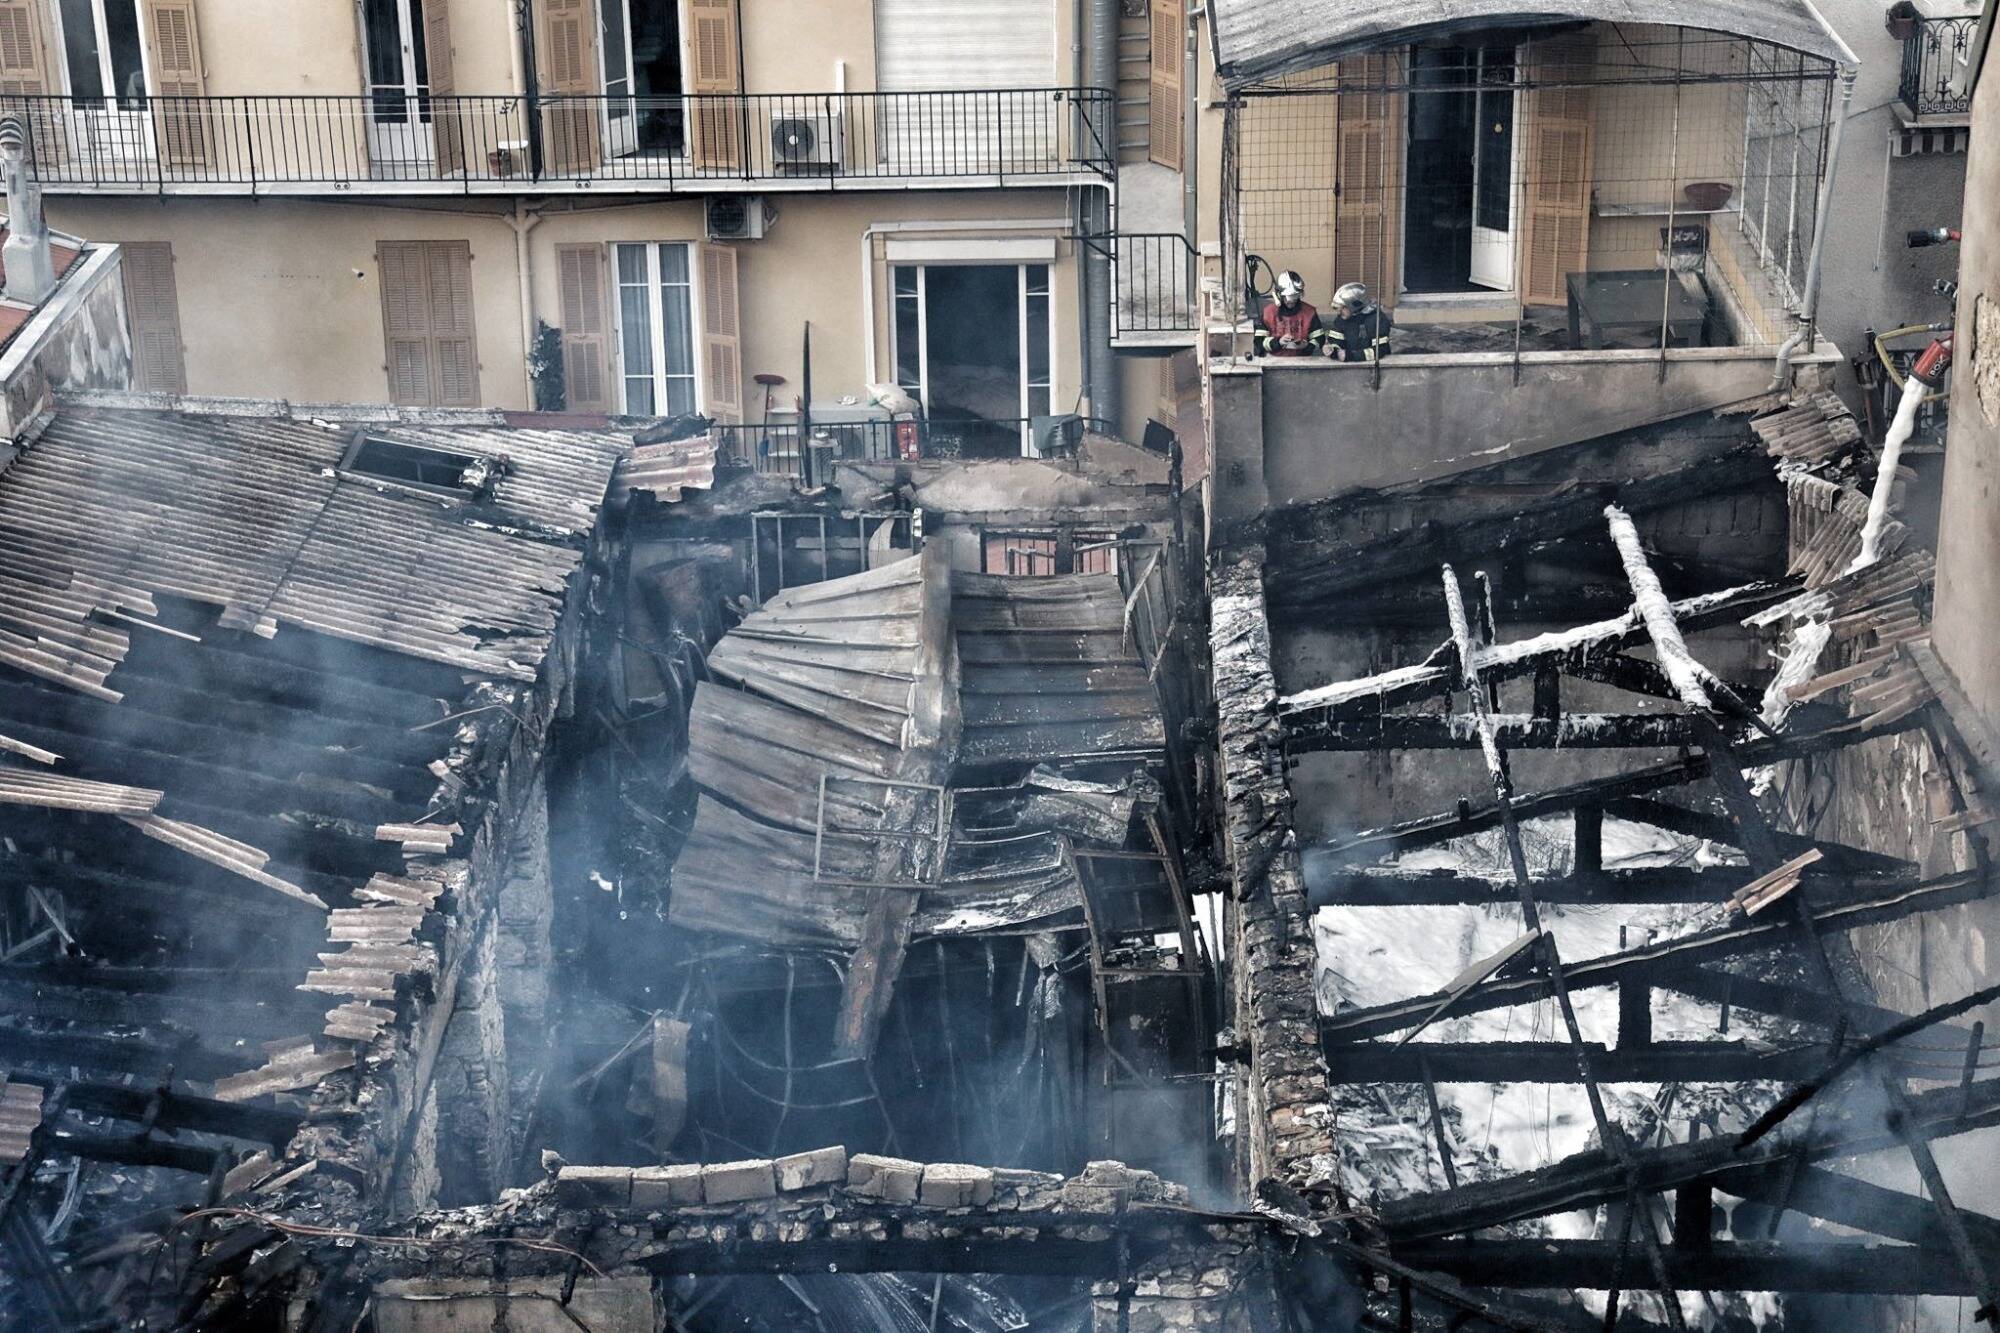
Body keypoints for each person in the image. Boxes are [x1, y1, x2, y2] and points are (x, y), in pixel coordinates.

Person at [1255, 270, 1326, 357]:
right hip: (1274, 361)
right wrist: (1279, 342)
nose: (1292, 302)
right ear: (1279, 295)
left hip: (1302, 361)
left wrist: (1307, 346)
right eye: (1288, 299)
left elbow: (1319, 338)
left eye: (1295, 298)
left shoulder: (1309, 312)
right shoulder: (1268, 313)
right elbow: (1259, 341)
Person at [1324, 282, 1394, 363]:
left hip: (1372, 367)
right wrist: (1332, 350)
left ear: (1355, 305)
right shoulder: (1342, 319)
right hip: (1348, 365)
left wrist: (1353, 356)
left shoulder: (1377, 320)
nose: (1339, 312)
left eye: (1343, 308)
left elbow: (1381, 350)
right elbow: (1335, 341)